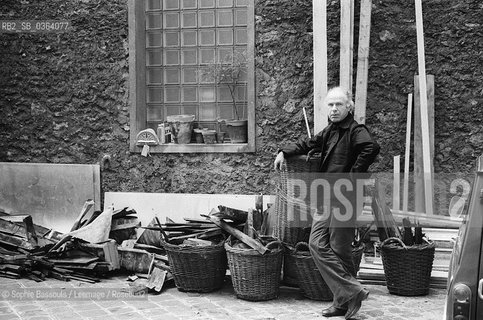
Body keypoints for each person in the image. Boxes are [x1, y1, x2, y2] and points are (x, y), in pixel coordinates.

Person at [274, 87, 380, 319]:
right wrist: (284, 151)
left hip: (345, 197)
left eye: (338, 105)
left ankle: (344, 303)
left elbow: (371, 147)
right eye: (330, 105)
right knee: (317, 243)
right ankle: (352, 291)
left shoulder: (355, 130)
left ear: (348, 107)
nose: (333, 109)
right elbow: (308, 143)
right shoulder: (331, 131)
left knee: (340, 249)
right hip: (328, 196)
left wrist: (353, 175)